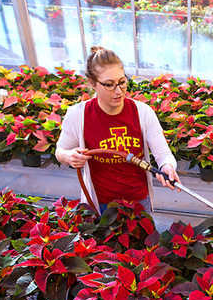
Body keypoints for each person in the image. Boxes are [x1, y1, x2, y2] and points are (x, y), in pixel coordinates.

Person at [55, 46, 180, 215]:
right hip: (101, 203)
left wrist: (167, 167)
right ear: (92, 83)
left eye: (122, 82)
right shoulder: (78, 115)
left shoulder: (142, 112)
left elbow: (163, 154)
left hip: (138, 201)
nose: (118, 91)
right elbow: (60, 152)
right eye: (109, 85)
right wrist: (69, 157)